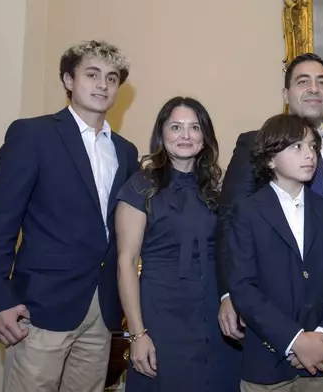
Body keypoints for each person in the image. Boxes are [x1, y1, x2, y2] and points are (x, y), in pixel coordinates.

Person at [0, 40, 139, 392]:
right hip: (40, 307)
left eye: (112, 78)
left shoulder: (126, 152)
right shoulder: (33, 135)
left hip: (102, 311)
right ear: (68, 80)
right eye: (91, 74)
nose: (102, 85)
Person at [217, 53, 323, 348]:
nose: (314, 88)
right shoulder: (256, 144)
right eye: (303, 81)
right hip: (269, 306)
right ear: (286, 94)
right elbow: (229, 219)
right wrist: (228, 293)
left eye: (322, 82)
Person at [115, 97, 241, 392]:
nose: (185, 136)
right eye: (176, 127)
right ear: (161, 134)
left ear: (204, 137)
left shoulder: (216, 190)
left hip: (215, 317)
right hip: (162, 317)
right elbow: (126, 262)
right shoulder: (139, 187)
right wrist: (137, 334)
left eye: (194, 128)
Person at [228, 113, 323, 391]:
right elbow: (243, 287)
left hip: (322, 361)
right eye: (296, 146)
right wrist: (295, 341)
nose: (309, 154)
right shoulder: (248, 211)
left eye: (312, 146)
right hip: (267, 363)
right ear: (270, 159)